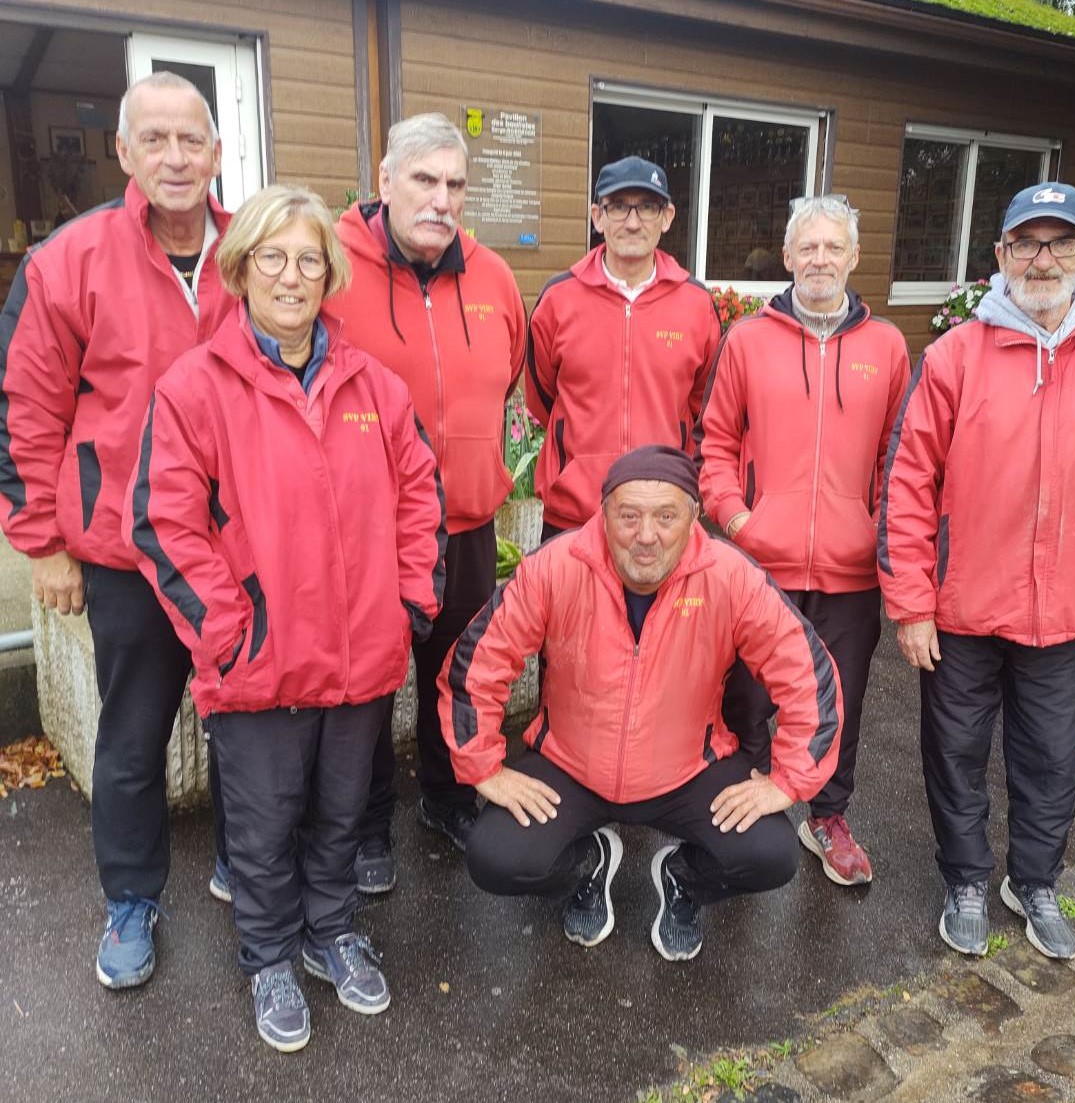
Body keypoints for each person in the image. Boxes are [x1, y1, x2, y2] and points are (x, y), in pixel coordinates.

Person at [128, 184, 444, 1051]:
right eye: (273, 256)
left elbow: (422, 492)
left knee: (342, 811)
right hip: (258, 661)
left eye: (309, 258)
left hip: (358, 657)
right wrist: (229, 630)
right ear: (240, 268)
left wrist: (411, 596)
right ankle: (269, 952)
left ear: (329, 272)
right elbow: (161, 520)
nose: (292, 275)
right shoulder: (196, 386)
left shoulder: (372, 384)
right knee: (263, 825)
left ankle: (331, 930)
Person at [878, 181, 1075, 960]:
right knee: (955, 753)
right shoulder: (953, 356)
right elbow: (906, 482)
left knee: (1048, 757)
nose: (1042, 259)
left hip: (1066, 612)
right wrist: (910, 599)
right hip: (961, 608)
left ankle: (1033, 881)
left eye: (1059, 242)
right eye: (1025, 243)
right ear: (1000, 255)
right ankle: (967, 878)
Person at [0, 71, 236, 989]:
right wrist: (42, 542)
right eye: (158, 140)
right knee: (133, 738)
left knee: (244, 722)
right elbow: (26, 407)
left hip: (232, 546)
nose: (176, 158)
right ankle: (132, 902)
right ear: (125, 151)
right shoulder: (68, 259)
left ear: (216, 154)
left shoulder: (251, 250)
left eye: (193, 141)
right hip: (123, 545)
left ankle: (240, 861)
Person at [439, 446, 844, 961]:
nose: (646, 535)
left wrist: (788, 780)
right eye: (628, 515)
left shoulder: (728, 575)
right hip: (572, 766)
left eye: (666, 516)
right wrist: (483, 767)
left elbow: (808, 675)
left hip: (685, 771)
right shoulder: (557, 567)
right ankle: (589, 866)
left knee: (771, 854)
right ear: (602, 513)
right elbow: (479, 662)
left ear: (694, 517)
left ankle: (681, 880)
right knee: (494, 856)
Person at [331, 112, 526, 878]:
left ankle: (445, 795)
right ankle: (367, 824)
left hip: (467, 522)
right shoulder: (335, 269)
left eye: (454, 184)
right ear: (384, 181)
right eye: (424, 180)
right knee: (370, 683)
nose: (441, 200)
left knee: (458, 671)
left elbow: (509, 377)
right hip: (370, 532)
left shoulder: (493, 277)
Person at [696, 195, 910, 887]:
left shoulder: (887, 347)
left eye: (832, 247)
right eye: (806, 247)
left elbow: (898, 456)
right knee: (749, 699)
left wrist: (877, 532)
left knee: (836, 700)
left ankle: (827, 815)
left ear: (853, 257)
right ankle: (750, 807)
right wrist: (737, 522)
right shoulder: (748, 340)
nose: (819, 258)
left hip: (851, 571)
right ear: (786, 258)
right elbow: (715, 442)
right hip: (761, 564)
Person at [525, 156, 721, 541]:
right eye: (618, 207)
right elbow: (543, 398)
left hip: (661, 516)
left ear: (666, 218)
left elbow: (704, 406)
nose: (633, 222)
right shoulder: (558, 300)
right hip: (574, 515)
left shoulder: (696, 305)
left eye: (647, 207)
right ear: (597, 216)